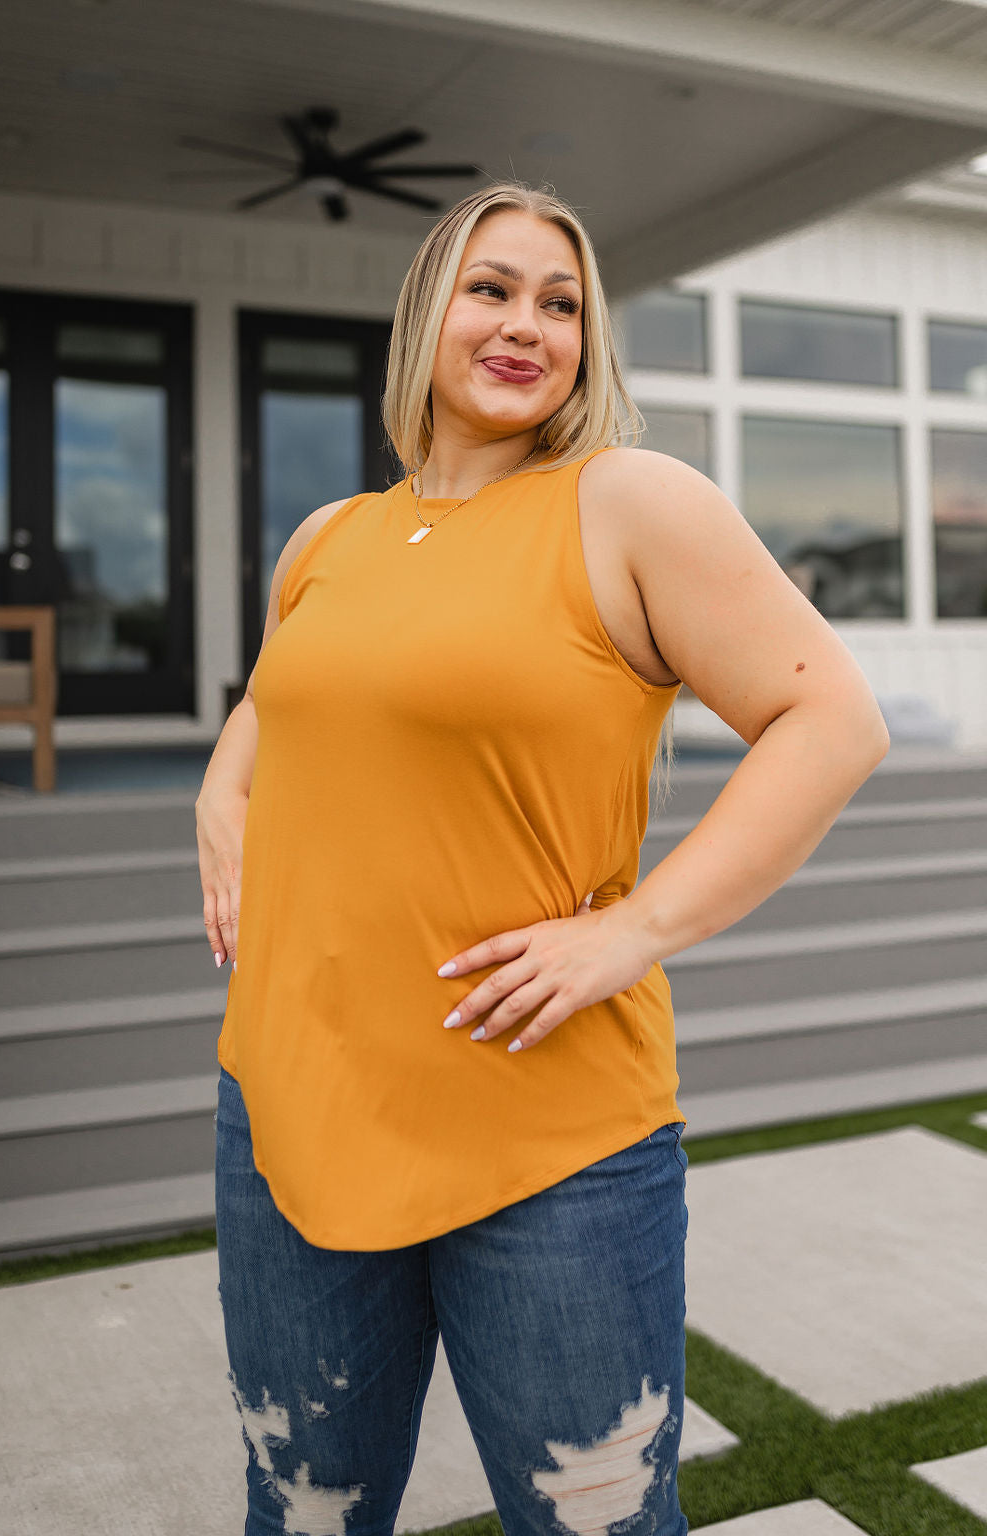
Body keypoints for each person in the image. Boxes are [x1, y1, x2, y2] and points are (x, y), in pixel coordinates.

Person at [195, 180, 890, 1536]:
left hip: (548, 1140)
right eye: (492, 289)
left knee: (597, 1524)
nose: (528, 325)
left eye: (560, 303)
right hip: (284, 1106)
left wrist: (635, 931)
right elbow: (287, 696)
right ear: (427, 319)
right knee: (300, 1513)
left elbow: (832, 718)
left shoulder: (626, 502)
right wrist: (219, 793)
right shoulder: (325, 541)